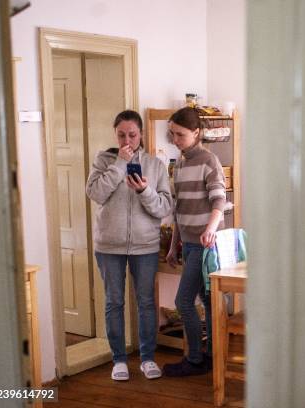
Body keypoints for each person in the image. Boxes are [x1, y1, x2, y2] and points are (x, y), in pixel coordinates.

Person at [85, 110, 172, 381]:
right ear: (115, 134)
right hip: (109, 245)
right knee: (114, 302)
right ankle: (118, 360)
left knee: (146, 302)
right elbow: (95, 193)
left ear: (141, 134)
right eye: (121, 134)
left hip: (145, 246)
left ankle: (147, 358)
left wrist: (144, 190)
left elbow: (164, 207)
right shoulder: (104, 160)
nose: (127, 140)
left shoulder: (156, 165)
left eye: (132, 135)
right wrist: (118, 165)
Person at [163, 107, 226, 376]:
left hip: (205, 245)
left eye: (180, 134)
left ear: (197, 133)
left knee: (183, 302)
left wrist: (210, 230)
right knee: (206, 300)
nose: (175, 139)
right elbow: (178, 208)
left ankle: (196, 360)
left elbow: (220, 200)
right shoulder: (181, 162)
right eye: (172, 134)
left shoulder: (208, 160)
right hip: (187, 244)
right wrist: (172, 245)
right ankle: (212, 356)